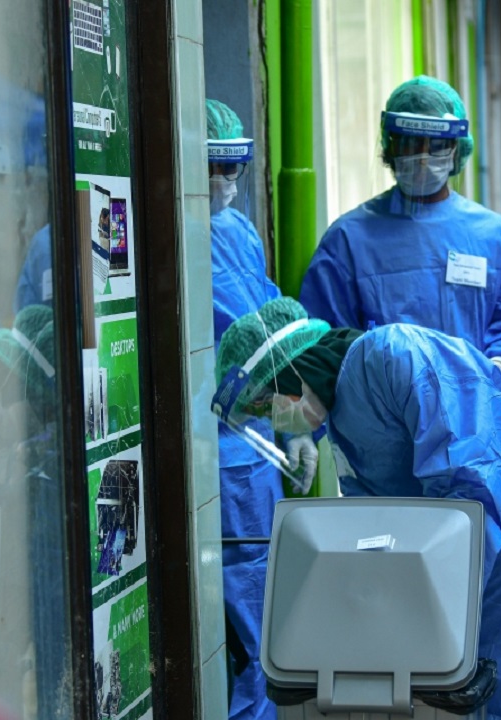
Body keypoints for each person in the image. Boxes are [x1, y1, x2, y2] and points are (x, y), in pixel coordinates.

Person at [213, 297, 501, 719]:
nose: (275, 419)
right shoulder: (341, 420)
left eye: (267, 404)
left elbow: (471, 476)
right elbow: (382, 524)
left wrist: (433, 615)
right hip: (482, 537)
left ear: (294, 370)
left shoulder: (392, 353)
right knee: (485, 679)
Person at [299, 76, 501, 381]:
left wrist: (499, 364)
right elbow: (325, 340)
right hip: (381, 418)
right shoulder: (349, 239)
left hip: (474, 411)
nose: (423, 157)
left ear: (456, 150)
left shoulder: (492, 235)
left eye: (436, 145)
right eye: (410, 143)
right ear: (390, 146)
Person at [205, 98, 314, 720]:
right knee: (232, 638)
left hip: (251, 448)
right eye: (210, 168)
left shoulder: (237, 230)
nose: (223, 182)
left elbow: (269, 327)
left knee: (262, 620)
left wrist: (291, 415)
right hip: (211, 447)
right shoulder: (166, 237)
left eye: (232, 167)